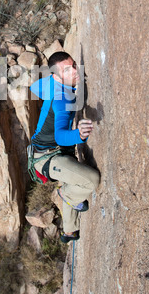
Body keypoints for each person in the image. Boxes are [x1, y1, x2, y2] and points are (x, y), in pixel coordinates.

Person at [29, 51, 100, 243]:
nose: (75, 72)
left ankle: (69, 231)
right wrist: (79, 134)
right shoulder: (61, 99)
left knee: (73, 179)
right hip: (46, 158)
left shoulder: (56, 84)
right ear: (56, 76)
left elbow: (36, 86)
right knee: (91, 180)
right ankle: (64, 194)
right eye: (67, 70)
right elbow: (60, 136)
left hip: (56, 153)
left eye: (74, 65)